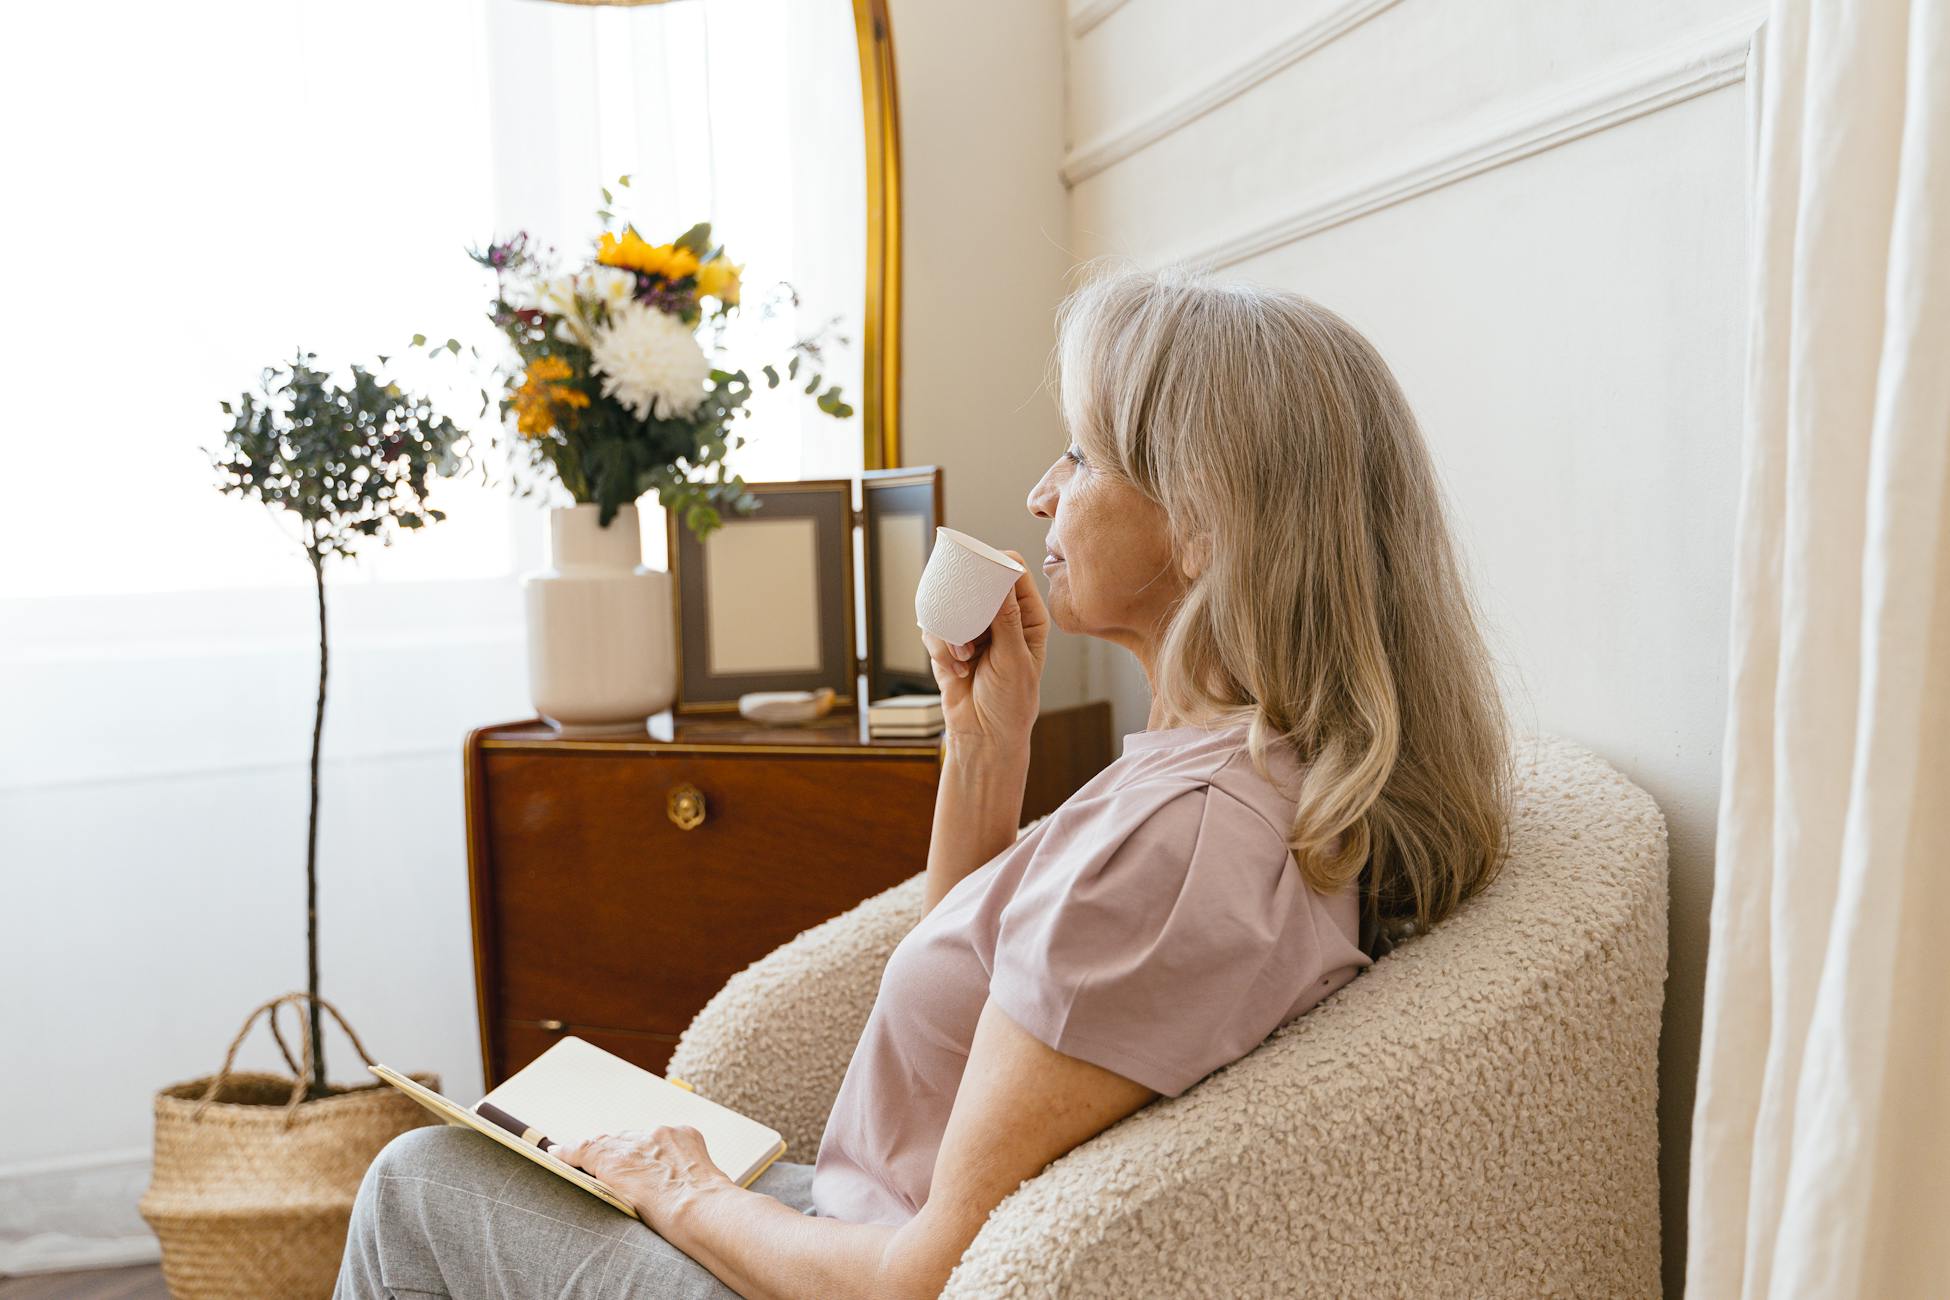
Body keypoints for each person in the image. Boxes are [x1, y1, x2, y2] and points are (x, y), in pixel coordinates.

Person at [334, 261, 1513, 1299]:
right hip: (836, 1220)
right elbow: (976, 1000)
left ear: (1204, 524)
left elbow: (918, 1280)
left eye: (1085, 454)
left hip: (843, 1267)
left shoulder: (1185, 840)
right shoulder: (1218, 780)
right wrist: (983, 749)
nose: (1046, 491)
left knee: (418, 1184)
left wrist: (682, 1193)